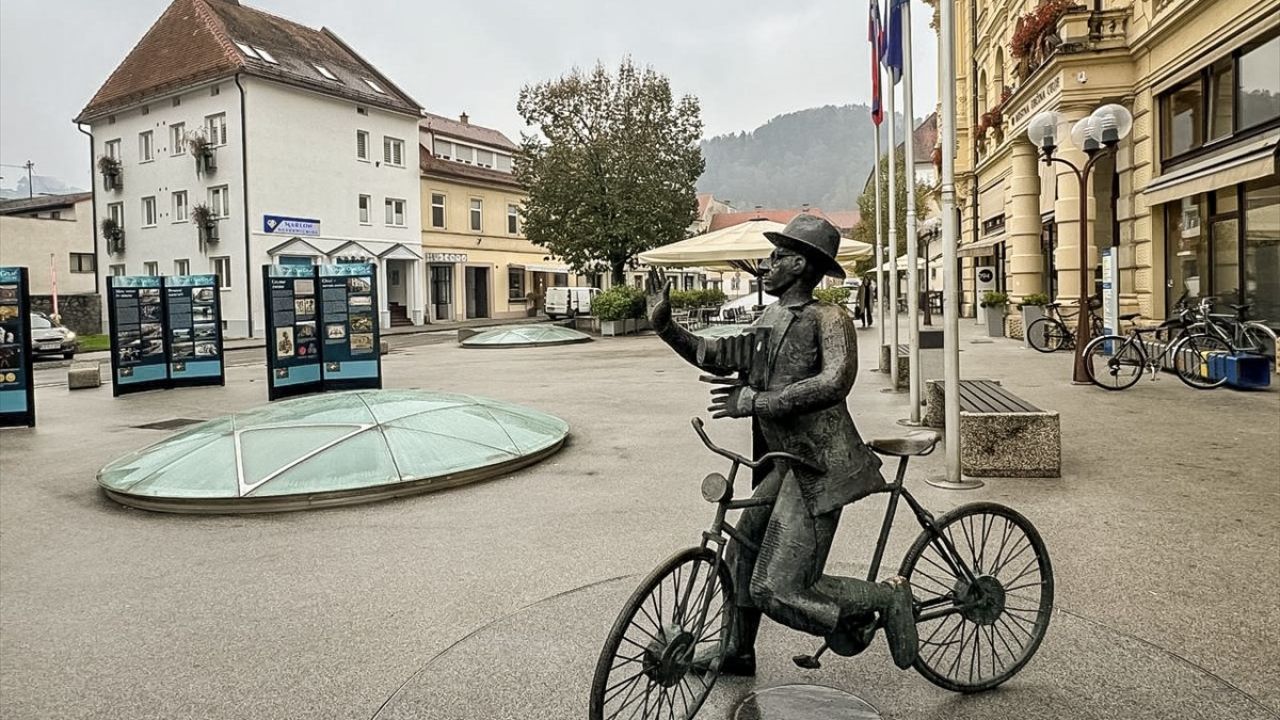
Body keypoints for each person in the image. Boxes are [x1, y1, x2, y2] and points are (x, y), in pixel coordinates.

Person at [646, 214, 918, 676]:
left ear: (799, 265)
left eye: (776, 258)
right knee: (741, 552)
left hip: (823, 467)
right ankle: (737, 649)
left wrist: (757, 400)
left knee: (777, 587)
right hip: (787, 463)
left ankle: (887, 597)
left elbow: (835, 382)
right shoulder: (772, 316)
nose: (767, 266)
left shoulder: (830, 318)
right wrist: (667, 327)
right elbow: (724, 353)